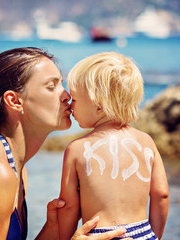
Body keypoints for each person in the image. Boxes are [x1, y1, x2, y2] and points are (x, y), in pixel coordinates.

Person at [0, 47, 130, 240]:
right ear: (14, 101)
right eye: (52, 86)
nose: (67, 95)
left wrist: (52, 228)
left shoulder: (15, 168)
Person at [58, 52, 170, 240]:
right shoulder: (146, 141)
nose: (70, 104)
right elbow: (162, 195)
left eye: (75, 99)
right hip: (143, 232)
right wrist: (155, 236)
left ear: (99, 106)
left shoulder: (77, 149)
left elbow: (69, 205)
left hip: (99, 235)